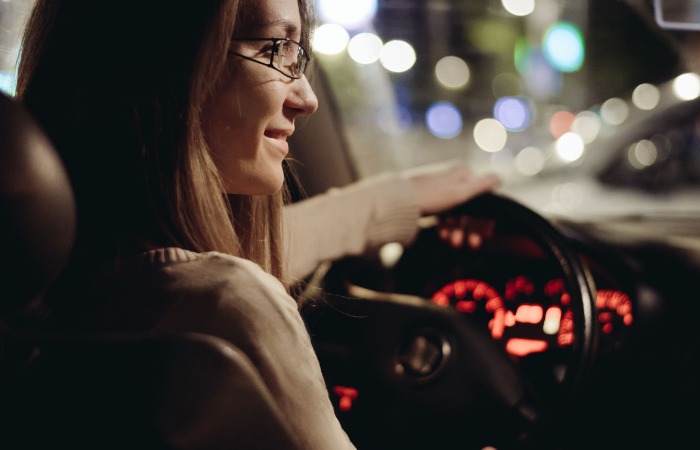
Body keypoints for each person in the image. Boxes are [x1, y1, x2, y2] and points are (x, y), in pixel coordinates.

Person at [16, 0, 500, 448]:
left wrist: (395, 200)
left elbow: (211, 264)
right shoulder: (230, 304)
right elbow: (221, 286)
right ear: (169, 63)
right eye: (277, 48)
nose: (306, 98)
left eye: (299, 53)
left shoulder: (45, 299)